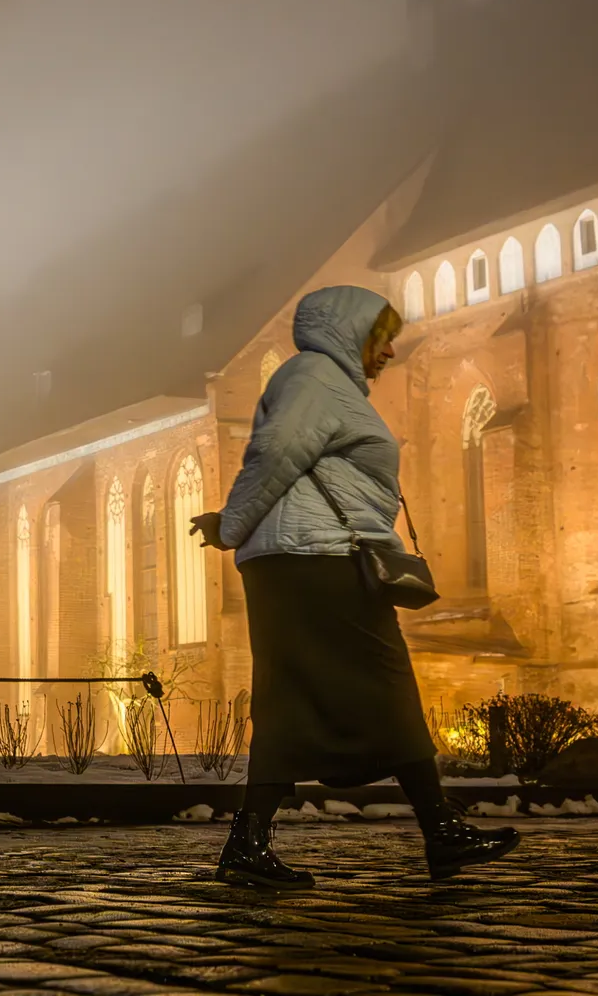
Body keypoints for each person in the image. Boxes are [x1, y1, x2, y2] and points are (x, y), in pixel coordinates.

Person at [191, 284, 521, 887]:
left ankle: (252, 843)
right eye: (382, 337)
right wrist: (233, 527)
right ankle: (438, 830)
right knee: (384, 683)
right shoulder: (314, 376)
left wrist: (235, 527)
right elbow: (275, 454)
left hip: (305, 562)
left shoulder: (326, 383)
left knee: (299, 701)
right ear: (350, 332)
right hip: (315, 561)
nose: (390, 351)